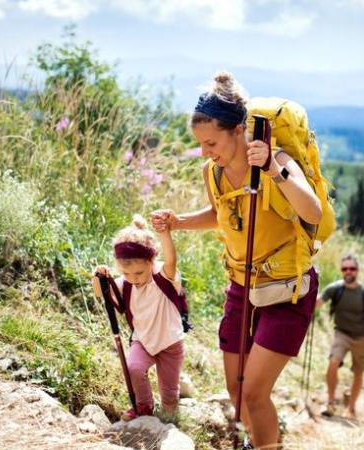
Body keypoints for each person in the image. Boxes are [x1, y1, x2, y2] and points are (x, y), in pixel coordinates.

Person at [150, 71, 323, 449]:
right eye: (200, 144)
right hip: (241, 287)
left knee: (255, 394)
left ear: (239, 130)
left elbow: (312, 213)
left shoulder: (277, 160)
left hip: (286, 290)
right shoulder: (212, 172)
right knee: (236, 391)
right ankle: (263, 439)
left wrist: (273, 172)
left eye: (211, 142)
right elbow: (220, 213)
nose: (206, 151)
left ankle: (265, 444)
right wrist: (179, 222)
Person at [92, 214, 186, 422]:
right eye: (126, 273)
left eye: (139, 272)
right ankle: (144, 407)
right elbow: (100, 293)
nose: (134, 279)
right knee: (133, 368)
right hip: (143, 340)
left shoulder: (163, 277)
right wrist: (98, 277)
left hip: (170, 343)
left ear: (152, 261)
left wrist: (165, 234)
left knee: (169, 390)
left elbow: (171, 259)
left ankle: (170, 417)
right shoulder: (125, 285)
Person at [316, 254, 364, 418]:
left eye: (352, 268)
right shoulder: (334, 289)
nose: (348, 271)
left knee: (358, 372)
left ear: (357, 270)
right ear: (341, 270)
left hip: (361, 337)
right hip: (341, 333)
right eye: (345, 268)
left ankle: (350, 408)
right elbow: (318, 303)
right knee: (333, 362)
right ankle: (331, 402)